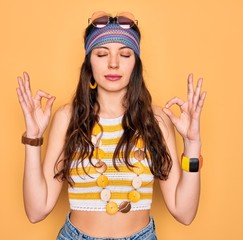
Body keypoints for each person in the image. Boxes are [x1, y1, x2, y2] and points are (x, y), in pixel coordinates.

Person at [16, 11, 206, 240]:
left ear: (135, 63)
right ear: (89, 62)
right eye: (102, 54)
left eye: (125, 54)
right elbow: (37, 211)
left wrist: (192, 144)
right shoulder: (68, 118)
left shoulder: (155, 120)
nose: (114, 63)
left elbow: (184, 213)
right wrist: (33, 139)